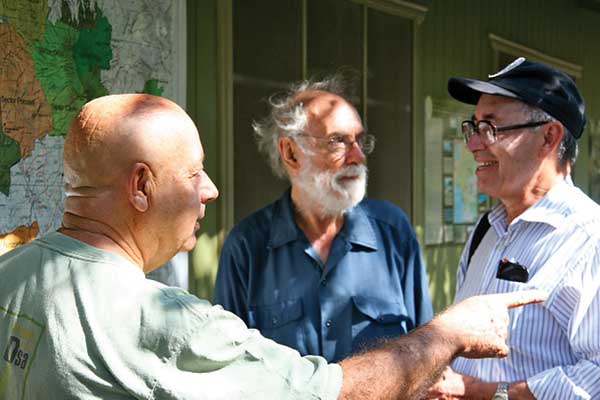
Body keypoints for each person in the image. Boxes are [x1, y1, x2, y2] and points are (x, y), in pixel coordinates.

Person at [0, 93, 545, 400]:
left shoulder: (11, 275)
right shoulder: (175, 316)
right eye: (194, 174)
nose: (210, 189)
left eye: (361, 141)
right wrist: (449, 332)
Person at [214, 77, 433, 362]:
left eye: (359, 140)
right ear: (290, 153)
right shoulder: (247, 247)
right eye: (337, 141)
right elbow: (229, 369)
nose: (358, 156)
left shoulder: (393, 232)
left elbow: (424, 352)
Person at [427, 58, 600, 399]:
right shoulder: (486, 229)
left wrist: (485, 392)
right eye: (473, 127)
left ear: (548, 137)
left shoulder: (588, 239)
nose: (473, 144)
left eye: (490, 129)